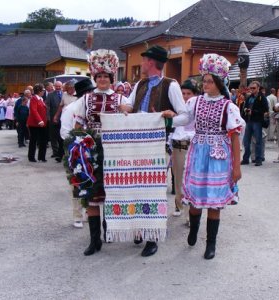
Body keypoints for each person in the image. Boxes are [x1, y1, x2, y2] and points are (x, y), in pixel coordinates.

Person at [121, 45, 189, 257]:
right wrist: (124, 107)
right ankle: (139, 228)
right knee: (135, 187)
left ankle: (152, 235)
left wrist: (168, 119)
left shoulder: (171, 85)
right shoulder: (140, 84)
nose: (141, 65)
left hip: (157, 145)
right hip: (135, 144)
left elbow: (185, 116)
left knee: (152, 190)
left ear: (151, 62)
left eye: (143, 61)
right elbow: (129, 105)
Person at [61, 49, 129, 256]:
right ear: (94, 78)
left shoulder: (119, 99)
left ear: (111, 78)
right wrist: (78, 148)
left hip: (113, 149)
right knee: (91, 194)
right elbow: (77, 124)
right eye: (98, 76)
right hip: (90, 150)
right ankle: (94, 240)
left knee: (110, 193)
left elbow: (128, 119)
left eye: (105, 76)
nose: (102, 79)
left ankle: (109, 230)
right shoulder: (85, 99)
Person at [182, 53, 245, 259]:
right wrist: (166, 118)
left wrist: (237, 167)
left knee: (215, 201)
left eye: (210, 81)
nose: (206, 84)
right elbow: (182, 119)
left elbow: (235, 138)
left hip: (219, 156)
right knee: (195, 199)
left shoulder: (229, 107)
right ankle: (193, 229)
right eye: (205, 81)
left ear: (219, 82)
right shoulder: (195, 102)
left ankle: (211, 244)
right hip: (199, 152)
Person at [60, 78, 95, 229]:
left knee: (92, 180)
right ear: (85, 94)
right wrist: (76, 145)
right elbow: (65, 132)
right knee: (77, 182)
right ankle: (77, 215)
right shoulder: (70, 109)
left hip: (92, 149)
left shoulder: (93, 108)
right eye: (90, 92)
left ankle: (89, 211)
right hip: (76, 149)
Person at [170, 79, 198, 223]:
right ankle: (178, 205)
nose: (186, 96)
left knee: (190, 180)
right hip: (178, 145)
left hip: (193, 146)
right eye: (183, 93)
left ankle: (189, 213)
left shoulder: (198, 108)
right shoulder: (176, 107)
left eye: (189, 93)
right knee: (178, 177)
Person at [241, 81, 269, 166]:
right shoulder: (249, 97)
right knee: (246, 141)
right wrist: (246, 110)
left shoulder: (262, 97)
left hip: (257, 121)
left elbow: (265, 110)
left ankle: (258, 159)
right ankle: (246, 159)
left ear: (258, 88)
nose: (252, 89)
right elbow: (245, 106)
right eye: (251, 88)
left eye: (254, 88)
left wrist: (253, 112)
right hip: (249, 121)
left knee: (258, 141)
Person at [27, 83, 48, 162]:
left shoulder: (41, 99)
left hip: (42, 123)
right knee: (33, 140)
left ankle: (41, 157)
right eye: (43, 90)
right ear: (39, 91)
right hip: (34, 123)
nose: (44, 92)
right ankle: (31, 157)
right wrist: (40, 120)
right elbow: (34, 110)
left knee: (43, 140)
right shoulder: (34, 99)